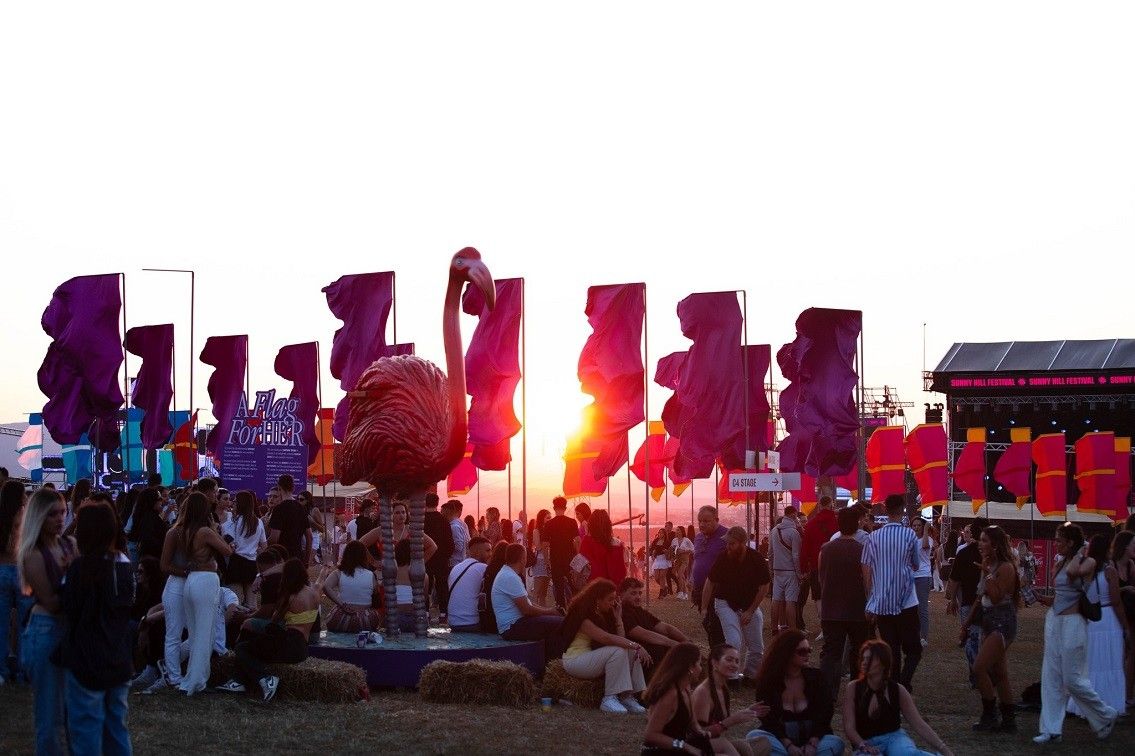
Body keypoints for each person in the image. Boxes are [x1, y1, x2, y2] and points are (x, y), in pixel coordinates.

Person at [56, 503, 135, 755]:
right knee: (116, 728)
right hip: (118, 656)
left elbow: (68, 608)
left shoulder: (81, 568)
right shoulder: (125, 564)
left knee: (86, 730)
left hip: (86, 658)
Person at [1033, 522, 1120, 743]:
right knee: (1051, 676)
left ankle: (1105, 714)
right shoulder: (1061, 562)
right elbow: (1060, 595)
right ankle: (1051, 729)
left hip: (1074, 622)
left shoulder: (1087, 561)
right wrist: (1041, 598)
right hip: (1055, 620)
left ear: (1071, 542)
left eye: (1060, 540)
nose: (1056, 543)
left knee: (1073, 678)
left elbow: (1073, 574)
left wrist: (1080, 551)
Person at [218, 558, 323, 701]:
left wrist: (249, 615)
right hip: (302, 648)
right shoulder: (315, 593)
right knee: (253, 641)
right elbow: (319, 580)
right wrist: (326, 566)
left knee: (242, 648)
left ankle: (265, 679)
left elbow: (273, 622)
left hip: (288, 644)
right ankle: (239, 681)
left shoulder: (290, 596)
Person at [18, 489, 74, 754]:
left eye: (62, 512)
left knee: (73, 711)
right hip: (46, 629)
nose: (60, 519)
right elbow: (51, 601)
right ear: (38, 517)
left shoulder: (69, 544)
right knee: (50, 716)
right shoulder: (33, 554)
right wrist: (74, 574)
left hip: (68, 629)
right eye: (52, 514)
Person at [842, 640, 953, 755]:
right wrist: (862, 745)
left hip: (894, 738)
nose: (864, 662)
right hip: (865, 742)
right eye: (863, 658)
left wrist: (944, 748)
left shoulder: (897, 690)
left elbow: (918, 724)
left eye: (869, 659)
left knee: (906, 753)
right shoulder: (853, 688)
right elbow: (849, 727)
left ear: (883, 663)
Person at [745, 630, 844, 756]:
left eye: (809, 650)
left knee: (835, 742)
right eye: (801, 652)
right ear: (786, 653)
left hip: (812, 737)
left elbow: (825, 713)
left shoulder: (816, 678)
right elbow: (769, 720)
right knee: (754, 737)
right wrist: (788, 745)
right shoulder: (768, 682)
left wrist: (813, 742)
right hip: (781, 739)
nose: (807, 655)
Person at [960, 525, 1020, 732]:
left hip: (1002, 622)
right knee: (999, 672)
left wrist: (987, 574)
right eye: (980, 539)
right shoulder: (988, 564)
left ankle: (990, 714)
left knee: (979, 668)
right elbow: (980, 598)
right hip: (988, 620)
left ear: (995, 544)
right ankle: (1009, 719)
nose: (980, 544)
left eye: (984, 540)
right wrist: (967, 624)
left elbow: (995, 597)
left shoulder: (1005, 568)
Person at [560, 577, 649, 714]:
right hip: (575, 660)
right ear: (597, 600)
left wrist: (618, 618)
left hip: (591, 657)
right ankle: (609, 698)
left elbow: (621, 640)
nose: (613, 603)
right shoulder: (581, 615)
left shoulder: (603, 613)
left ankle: (627, 696)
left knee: (630, 651)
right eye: (610, 599)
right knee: (620, 651)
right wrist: (637, 645)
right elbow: (605, 638)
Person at [862, 495, 921, 691]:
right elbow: (916, 564)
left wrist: (870, 598)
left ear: (885, 510)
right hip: (906, 600)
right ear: (903, 509)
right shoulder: (910, 535)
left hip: (882, 601)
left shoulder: (873, 537)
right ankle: (903, 683)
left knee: (891, 649)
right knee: (914, 650)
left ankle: (895, 687)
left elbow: (866, 569)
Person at [1067, 533, 1128, 717]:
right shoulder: (1109, 571)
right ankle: (1109, 701)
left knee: (1092, 663)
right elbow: (1116, 601)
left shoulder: (1086, 570)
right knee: (1110, 661)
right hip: (1108, 619)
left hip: (1091, 619)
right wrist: (1125, 625)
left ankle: (1086, 704)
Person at [178, 492, 232, 695]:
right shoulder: (205, 531)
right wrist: (216, 530)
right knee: (205, 633)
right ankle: (197, 682)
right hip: (206, 580)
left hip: (191, 580)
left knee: (194, 633)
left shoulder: (184, 530)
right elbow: (227, 550)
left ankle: (190, 679)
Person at [703, 526, 770, 684]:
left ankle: (751, 675)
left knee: (756, 644)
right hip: (725, 602)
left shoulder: (756, 559)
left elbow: (764, 586)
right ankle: (731, 677)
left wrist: (751, 611)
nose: (728, 547)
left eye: (732, 544)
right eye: (727, 543)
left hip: (749, 604)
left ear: (742, 543)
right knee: (733, 640)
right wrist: (704, 607)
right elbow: (710, 582)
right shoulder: (723, 558)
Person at [817, 505, 870, 702]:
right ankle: (858, 692)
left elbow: (821, 577)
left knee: (831, 653)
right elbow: (867, 581)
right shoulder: (862, 550)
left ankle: (827, 694)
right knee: (858, 651)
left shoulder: (825, 549)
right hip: (857, 608)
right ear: (857, 525)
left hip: (831, 609)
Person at [691, 644, 772, 756]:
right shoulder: (703, 692)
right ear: (714, 662)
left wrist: (746, 712)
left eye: (737, 661)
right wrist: (731, 721)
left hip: (717, 745)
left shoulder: (723, 688)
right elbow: (698, 735)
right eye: (729, 660)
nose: (734, 665)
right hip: (701, 748)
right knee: (744, 749)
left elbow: (719, 722)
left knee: (763, 742)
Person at [641, 643, 716, 755]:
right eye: (699, 664)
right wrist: (684, 746)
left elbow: (692, 722)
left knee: (733, 747)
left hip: (678, 749)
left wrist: (700, 731)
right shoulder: (670, 695)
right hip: (661, 752)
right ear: (690, 667)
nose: (701, 669)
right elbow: (650, 736)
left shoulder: (685, 688)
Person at [492, 543, 561, 655]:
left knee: (554, 620)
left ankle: (551, 657)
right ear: (522, 559)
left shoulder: (508, 573)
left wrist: (550, 611)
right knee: (560, 623)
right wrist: (550, 612)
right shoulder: (510, 577)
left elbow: (528, 603)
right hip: (512, 627)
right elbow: (527, 610)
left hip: (515, 624)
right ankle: (553, 658)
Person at [944, 517, 987, 686]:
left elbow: (955, 580)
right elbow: (955, 579)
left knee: (972, 639)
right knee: (981, 639)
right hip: (985, 602)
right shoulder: (990, 553)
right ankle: (981, 674)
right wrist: (952, 599)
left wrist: (952, 599)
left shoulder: (964, 553)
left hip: (970, 602)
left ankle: (976, 674)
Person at [619, 577, 690, 665]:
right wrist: (674, 644)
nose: (638, 597)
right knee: (661, 648)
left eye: (639, 593)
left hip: (647, 652)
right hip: (634, 654)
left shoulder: (639, 610)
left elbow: (666, 628)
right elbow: (643, 634)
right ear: (621, 594)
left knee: (672, 644)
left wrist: (687, 642)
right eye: (633, 593)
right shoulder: (622, 612)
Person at [1, 480, 28, 684]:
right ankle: (21, 670)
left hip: (1, 569)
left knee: (2, 625)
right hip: (20, 571)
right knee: (23, 624)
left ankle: (2, 670)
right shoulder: (25, 517)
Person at [322, 540, 381, 632]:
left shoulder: (339, 572)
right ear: (364, 556)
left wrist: (341, 604)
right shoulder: (371, 575)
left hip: (342, 618)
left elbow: (326, 586)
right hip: (366, 620)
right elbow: (375, 595)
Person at [800, 496, 838, 635]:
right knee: (834, 595)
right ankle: (835, 625)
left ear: (820, 506)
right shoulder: (837, 522)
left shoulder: (811, 524)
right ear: (831, 505)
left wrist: (804, 568)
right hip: (835, 565)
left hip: (816, 565)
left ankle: (824, 626)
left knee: (818, 596)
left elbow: (805, 548)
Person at [692, 506, 729, 648]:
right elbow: (697, 560)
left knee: (715, 626)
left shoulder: (726, 536)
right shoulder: (698, 537)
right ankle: (717, 652)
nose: (702, 524)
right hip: (700, 590)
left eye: (706, 521)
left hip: (718, 590)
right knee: (708, 623)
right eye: (700, 521)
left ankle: (719, 653)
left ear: (716, 520)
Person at [222, 490, 266, 606]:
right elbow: (264, 546)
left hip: (236, 563)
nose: (233, 503)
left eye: (235, 501)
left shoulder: (233, 523)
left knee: (234, 601)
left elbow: (229, 542)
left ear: (240, 504)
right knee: (252, 603)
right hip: (252, 564)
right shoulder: (258, 522)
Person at [1111, 530, 1135, 707]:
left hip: (1129, 614)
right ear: (1125, 546)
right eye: (1134, 544)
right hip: (1113, 614)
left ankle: (1126, 695)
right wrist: (1125, 589)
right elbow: (1107, 593)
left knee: (1129, 653)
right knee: (1118, 655)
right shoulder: (1111, 566)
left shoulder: (1131, 566)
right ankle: (1117, 694)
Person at [769, 507, 802, 633]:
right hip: (790, 570)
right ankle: (792, 629)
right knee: (790, 601)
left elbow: (770, 552)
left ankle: (774, 628)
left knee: (776, 599)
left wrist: (771, 569)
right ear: (793, 515)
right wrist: (799, 573)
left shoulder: (774, 530)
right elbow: (795, 555)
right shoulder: (794, 533)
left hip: (777, 569)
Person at [447, 536, 491, 632]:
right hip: (471, 623)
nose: (490, 554)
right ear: (477, 552)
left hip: (452, 622)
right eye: (488, 551)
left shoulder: (456, 567)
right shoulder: (483, 568)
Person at [423, 492, 455, 621]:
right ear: (437, 503)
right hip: (441, 559)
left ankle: (425, 612)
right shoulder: (443, 520)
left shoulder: (420, 519)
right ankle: (443, 613)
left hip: (425, 558)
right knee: (442, 586)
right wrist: (446, 556)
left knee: (425, 586)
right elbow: (450, 543)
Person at [267, 474, 312, 563]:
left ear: (279, 488)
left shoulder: (279, 509)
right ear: (293, 488)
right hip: (298, 557)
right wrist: (306, 560)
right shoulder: (301, 508)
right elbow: (309, 536)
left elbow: (274, 538)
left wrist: (263, 545)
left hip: (282, 558)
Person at [545, 496, 579, 610]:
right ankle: (576, 611)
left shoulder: (549, 524)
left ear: (554, 508)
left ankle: (561, 612)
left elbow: (545, 545)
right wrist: (578, 556)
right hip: (571, 560)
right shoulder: (572, 522)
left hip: (555, 560)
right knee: (574, 588)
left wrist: (547, 562)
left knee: (559, 590)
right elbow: (577, 540)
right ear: (565, 508)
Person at [580, 509, 627, 586]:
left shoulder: (586, 542)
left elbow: (580, 565)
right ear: (608, 525)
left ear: (591, 525)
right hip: (611, 587)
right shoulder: (617, 544)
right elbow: (620, 573)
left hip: (590, 586)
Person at [910, 518, 934, 647]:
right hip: (911, 576)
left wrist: (926, 530)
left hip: (923, 576)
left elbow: (925, 546)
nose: (916, 528)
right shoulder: (910, 539)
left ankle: (923, 637)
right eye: (914, 525)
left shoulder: (928, 539)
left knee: (922, 608)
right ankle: (913, 634)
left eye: (919, 525)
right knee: (911, 608)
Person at [529, 509, 552, 606]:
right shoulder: (536, 530)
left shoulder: (550, 530)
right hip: (540, 561)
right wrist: (547, 543)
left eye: (550, 518)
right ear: (541, 518)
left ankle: (543, 611)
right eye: (547, 518)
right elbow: (538, 546)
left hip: (549, 561)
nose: (549, 519)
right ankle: (534, 611)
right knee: (537, 591)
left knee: (544, 593)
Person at [670, 526, 694, 600]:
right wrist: (672, 556)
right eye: (676, 530)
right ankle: (685, 593)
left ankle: (680, 592)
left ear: (682, 531)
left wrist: (684, 551)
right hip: (677, 559)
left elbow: (693, 549)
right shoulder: (674, 540)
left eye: (678, 530)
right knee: (681, 576)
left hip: (685, 558)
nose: (677, 531)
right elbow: (672, 550)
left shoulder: (686, 540)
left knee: (680, 574)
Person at [650, 529, 673, 598]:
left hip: (664, 559)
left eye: (662, 533)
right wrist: (652, 554)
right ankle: (665, 587)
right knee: (656, 578)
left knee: (662, 576)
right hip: (657, 559)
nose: (660, 534)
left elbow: (670, 552)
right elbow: (651, 549)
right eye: (659, 532)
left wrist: (666, 552)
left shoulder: (667, 542)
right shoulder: (655, 541)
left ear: (664, 534)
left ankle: (661, 593)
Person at [444, 499, 467, 569]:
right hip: (459, 562)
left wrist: (445, 548)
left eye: (442, 512)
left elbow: (459, 546)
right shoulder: (460, 524)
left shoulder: (454, 527)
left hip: (455, 563)